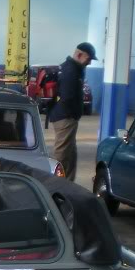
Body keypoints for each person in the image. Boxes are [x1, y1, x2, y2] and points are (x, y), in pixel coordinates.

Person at [48, 42, 96, 182]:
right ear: (79, 55)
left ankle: (67, 185)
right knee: (62, 155)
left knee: (70, 155)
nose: (90, 62)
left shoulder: (71, 68)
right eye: (89, 58)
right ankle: (55, 184)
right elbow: (67, 96)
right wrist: (73, 113)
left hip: (65, 116)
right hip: (65, 118)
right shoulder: (71, 70)